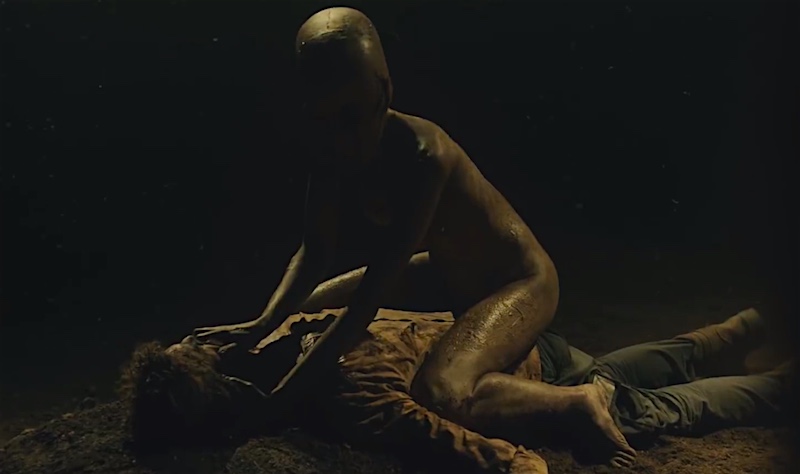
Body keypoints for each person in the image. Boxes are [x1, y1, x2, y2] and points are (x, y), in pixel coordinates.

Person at [192, 5, 560, 433]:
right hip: (448, 270)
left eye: (351, 117)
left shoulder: (426, 157)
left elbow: (366, 302)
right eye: (323, 119)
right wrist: (260, 326)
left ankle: (582, 401)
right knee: (302, 312)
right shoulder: (330, 147)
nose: (340, 139)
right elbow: (315, 251)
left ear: (384, 92)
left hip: (518, 281)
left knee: (440, 392)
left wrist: (276, 404)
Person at [119, 306, 791, 473]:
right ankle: (743, 334)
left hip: (528, 380)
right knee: (624, 369)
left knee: (655, 404)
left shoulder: (328, 372)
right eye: (198, 346)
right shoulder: (308, 335)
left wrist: (517, 459)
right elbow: (440, 432)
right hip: (524, 351)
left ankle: (772, 379)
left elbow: (467, 444)